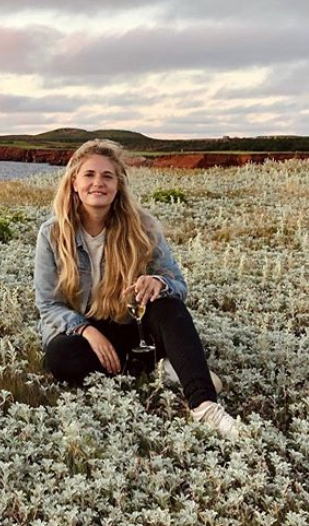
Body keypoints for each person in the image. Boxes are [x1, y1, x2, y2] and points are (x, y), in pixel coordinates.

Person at [34, 139, 239, 437]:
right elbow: (48, 304)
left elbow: (179, 286)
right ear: (74, 183)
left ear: (118, 185)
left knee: (170, 307)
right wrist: (87, 331)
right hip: (83, 328)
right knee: (60, 357)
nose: (98, 183)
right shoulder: (52, 233)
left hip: (130, 323)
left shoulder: (142, 227)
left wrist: (158, 282)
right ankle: (159, 366)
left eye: (107, 176)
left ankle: (205, 406)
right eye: (89, 175)